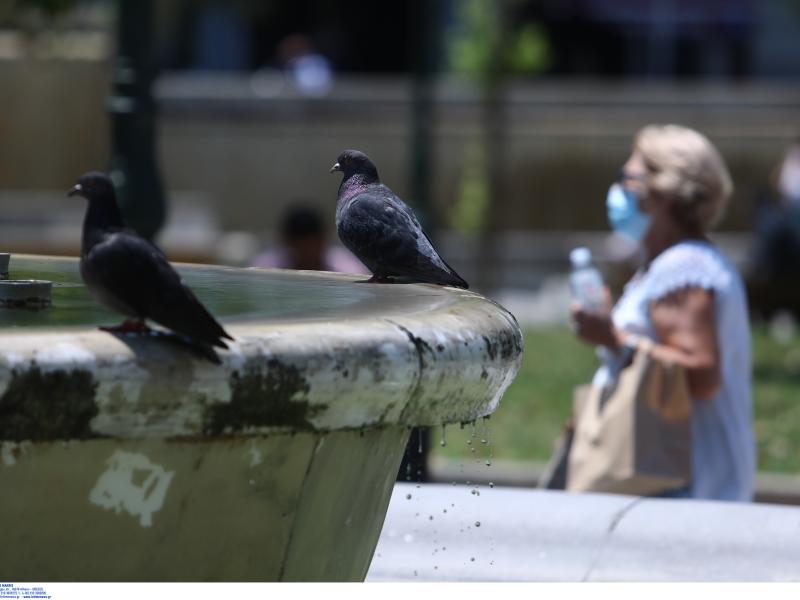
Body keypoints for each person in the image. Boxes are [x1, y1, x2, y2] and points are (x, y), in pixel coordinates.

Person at [571, 124, 755, 502]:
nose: (618, 191)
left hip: (687, 489)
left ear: (665, 190)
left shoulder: (683, 267)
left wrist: (612, 338)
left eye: (628, 179)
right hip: (682, 481)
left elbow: (701, 375)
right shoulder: (675, 264)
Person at [746, 138, 800, 320]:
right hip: (788, 221)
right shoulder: (792, 156)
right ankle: (760, 279)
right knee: (770, 223)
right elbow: (781, 185)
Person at [251, 204, 367, 274]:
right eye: (300, 246)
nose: (307, 251)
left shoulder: (348, 269)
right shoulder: (265, 269)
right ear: (286, 242)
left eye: (312, 245)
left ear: (324, 239)